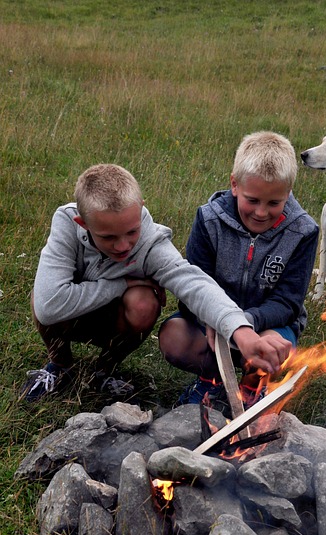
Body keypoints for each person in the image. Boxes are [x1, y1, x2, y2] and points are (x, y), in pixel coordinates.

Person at [21, 163, 290, 402]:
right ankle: (61, 365)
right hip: (69, 315)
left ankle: (103, 370)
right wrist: (122, 283)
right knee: (40, 297)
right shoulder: (67, 224)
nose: (124, 245)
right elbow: (49, 306)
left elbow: (194, 283)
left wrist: (240, 331)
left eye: (132, 231)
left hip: (114, 318)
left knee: (144, 303)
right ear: (83, 223)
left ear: (140, 209)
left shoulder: (151, 242)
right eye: (108, 237)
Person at [159, 131, 319, 409]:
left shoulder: (303, 231)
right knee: (174, 337)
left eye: (274, 203)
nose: (261, 212)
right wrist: (219, 321)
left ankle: (251, 389)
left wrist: (243, 323)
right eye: (252, 200)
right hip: (208, 324)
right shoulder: (209, 219)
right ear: (234, 184)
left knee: (275, 349)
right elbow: (192, 289)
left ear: (289, 192)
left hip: (268, 325)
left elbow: (288, 302)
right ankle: (211, 381)